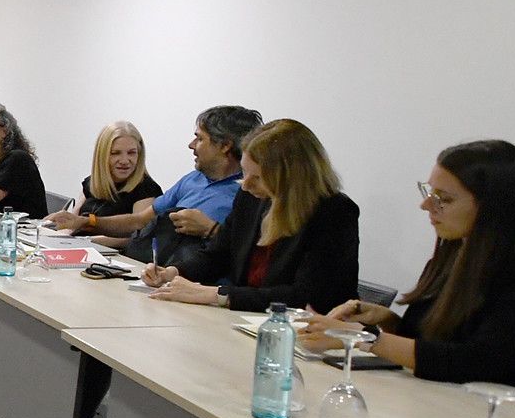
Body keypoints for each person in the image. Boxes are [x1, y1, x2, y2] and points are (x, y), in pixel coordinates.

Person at [305, 140, 515, 392]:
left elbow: (479, 362)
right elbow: (427, 342)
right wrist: (385, 320)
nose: (426, 205)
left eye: (444, 199)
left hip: (509, 416)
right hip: (442, 399)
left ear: (496, 207)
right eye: (429, 192)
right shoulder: (455, 252)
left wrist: (366, 338)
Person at [143, 118, 358, 313]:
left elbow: (308, 296)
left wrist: (217, 295)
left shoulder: (334, 212)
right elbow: (218, 254)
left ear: (292, 179)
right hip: (247, 318)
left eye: (258, 177)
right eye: (245, 172)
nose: (245, 185)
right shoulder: (251, 198)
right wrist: (173, 272)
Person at [95, 106, 262, 272]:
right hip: (163, 273)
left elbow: (251, 256)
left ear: (225, 145)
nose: (191, 145)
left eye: (199, 139)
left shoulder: (251, 193)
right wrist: (90, 222)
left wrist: (210, 229)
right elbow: (140, 221)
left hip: (206, 282)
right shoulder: (192, 179)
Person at [49, 122, 162, 245]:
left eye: (131, 153)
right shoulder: (90, 183)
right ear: (102, 155)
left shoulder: (147, 189)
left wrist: (83, 241)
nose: (124, 160)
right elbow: (71, 225)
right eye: (115, 153)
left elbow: (135, 238)